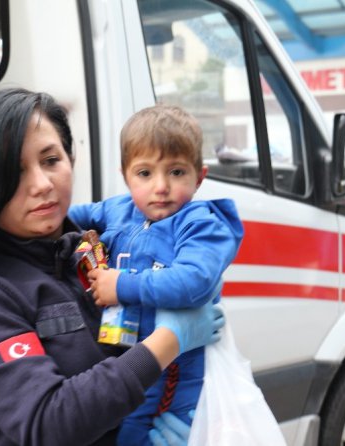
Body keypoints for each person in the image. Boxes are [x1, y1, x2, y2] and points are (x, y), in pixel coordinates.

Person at [0, 88, 225, 446]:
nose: (42, 184)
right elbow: (48, 423)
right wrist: (167, 342)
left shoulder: (96, 251)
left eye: (51, 160)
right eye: (14, 170)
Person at [68, 104, 244, 446]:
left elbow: (192, 282)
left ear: (200, 176)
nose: (160, 187)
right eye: (145, 173)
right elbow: (67, 218)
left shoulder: (201, 224)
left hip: (172, 379)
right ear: (125, 175)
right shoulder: (119, 209)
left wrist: (122, 285)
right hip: (124, 363)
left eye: (176, 172)